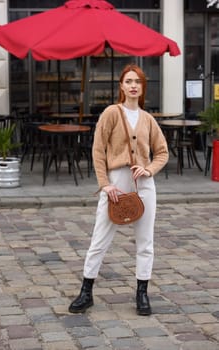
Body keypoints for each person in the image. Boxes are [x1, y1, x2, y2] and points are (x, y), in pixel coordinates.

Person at [69, 64, 169, 316]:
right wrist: (105, 184)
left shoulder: (148, 119)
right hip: (116, 182)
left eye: (138, 81)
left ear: (143, 87)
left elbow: (163, 152)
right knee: (99, 237)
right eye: (129, 81)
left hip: (144, 185)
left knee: (145, 242)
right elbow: (98, 150)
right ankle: (86, 291)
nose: (133, 85)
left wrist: (149, 170)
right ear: (121, 86)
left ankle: (142, 293)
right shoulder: (112, 113)